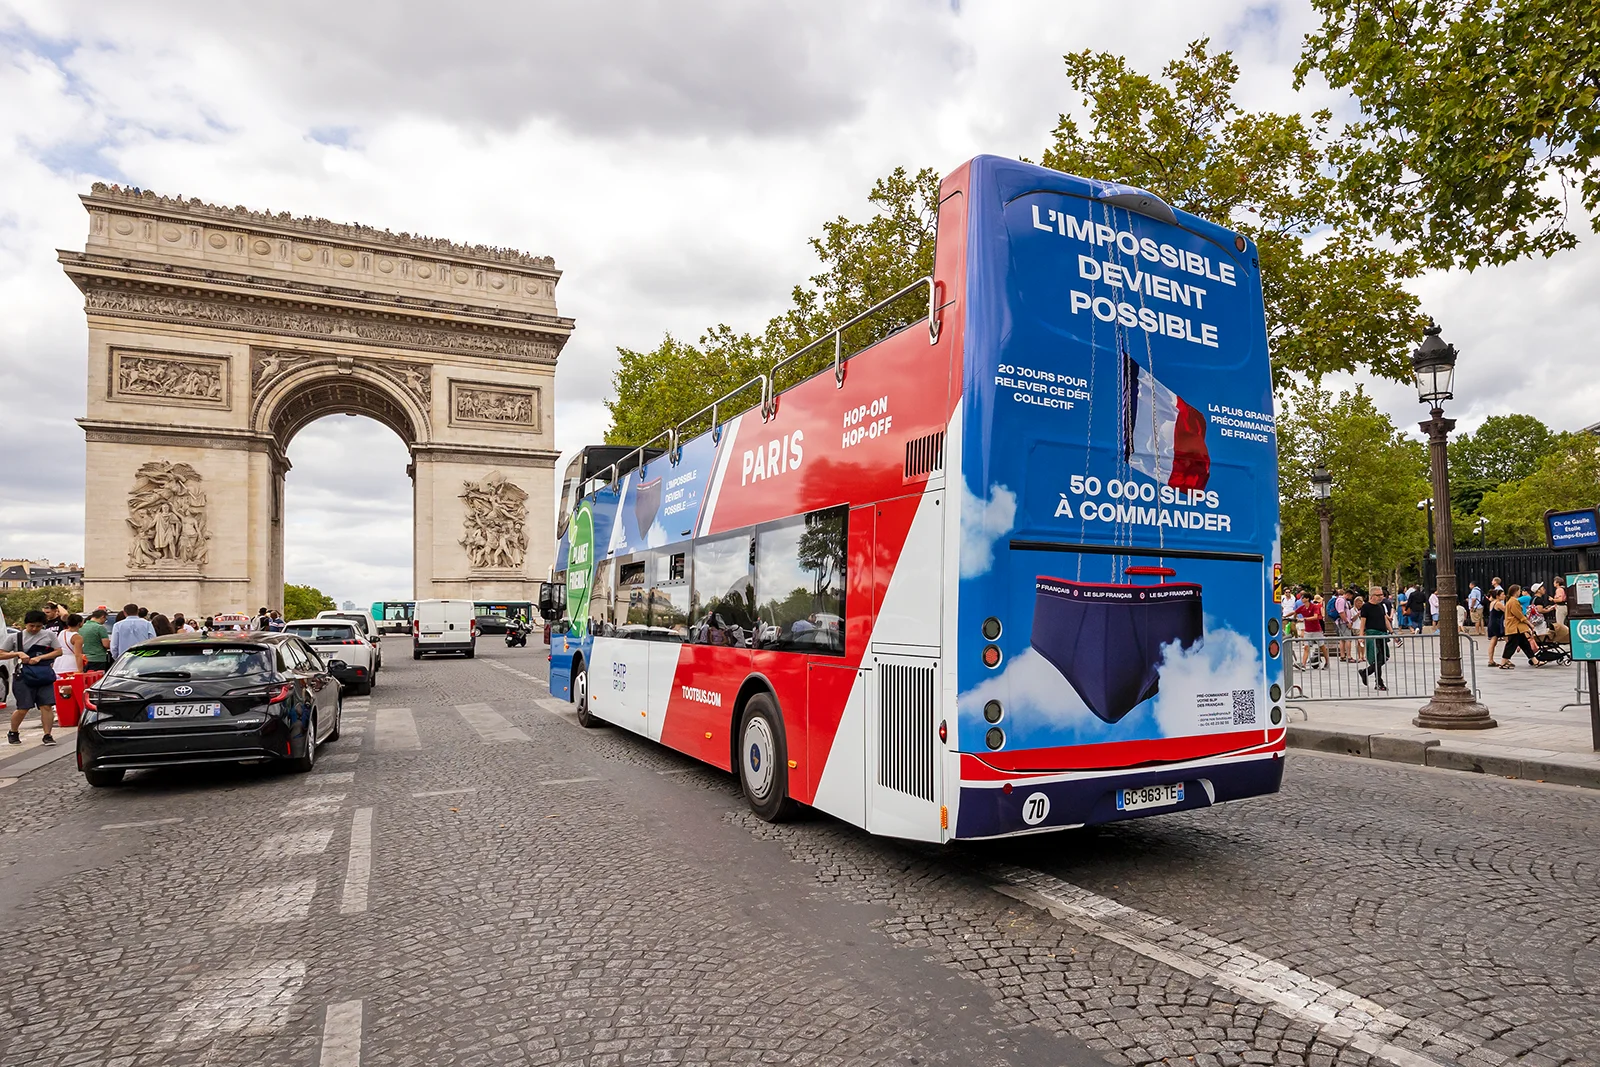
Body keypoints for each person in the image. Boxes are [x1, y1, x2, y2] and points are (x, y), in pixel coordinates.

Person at [0, 610, 63, 745]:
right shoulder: (15, 637)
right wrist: (18, 654)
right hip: (24, 675)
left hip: (44, 675)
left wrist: (41, 657)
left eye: (38, 626)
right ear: (26, 624)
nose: (34, 629)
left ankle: (47, 735)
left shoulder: (49, 635)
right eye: (31, 626)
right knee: (23, 707)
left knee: (46, 706)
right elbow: (1, 654)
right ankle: (13, 731)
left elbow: (58, 651)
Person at [1356, 587, 1391, 690]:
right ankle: (1379, 682)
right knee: (1377, 658)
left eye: (1382, 595)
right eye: (1378, 595)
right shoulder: (1366, 607)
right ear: (1372, 596)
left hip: (1382, 634)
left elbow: (1385, 620)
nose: (1381, 597)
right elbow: (1363, 622)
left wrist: (1392, 632)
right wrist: (1361, 635)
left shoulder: (1381, 606)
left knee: (1384, 657)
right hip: (1372, 634)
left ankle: (1365, 672)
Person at [1499, 584, 1540, 668]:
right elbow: (1519, 615)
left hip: (1517, 628)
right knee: (1511, 645)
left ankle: (1535, 661)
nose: (1520, 592)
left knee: (1525, 645)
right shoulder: (1514, 601)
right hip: (1515, 627)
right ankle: (1503, 663)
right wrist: (1529, 624)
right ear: (1516, 591)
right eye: (1519, 590)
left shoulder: (1511, 601)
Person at [78, 607, 112, 673]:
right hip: (98, 659)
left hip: (84, 658)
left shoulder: (82, 627)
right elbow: (106, 644)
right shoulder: (100, 628)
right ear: (102, 617)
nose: (105, 621)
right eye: (105, 619)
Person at [1486, 588, 1506, 662]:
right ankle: (1505, 659)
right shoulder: (1498, 603)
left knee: (1493, 641)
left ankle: (1491, 659)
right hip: (1496, 623)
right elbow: (1506, 610)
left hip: (1492, 622)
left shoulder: (1492, 603)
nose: (1504, 596)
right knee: (1506, 640)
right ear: (1497, 596)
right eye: (1502, 594)